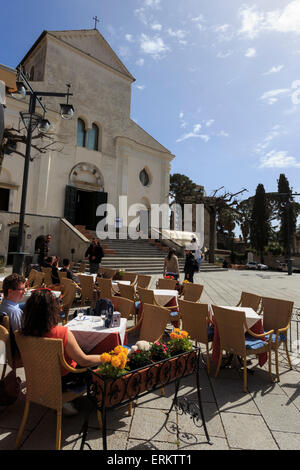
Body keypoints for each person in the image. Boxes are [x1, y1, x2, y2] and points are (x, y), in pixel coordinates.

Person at [21, 289, 102, 415]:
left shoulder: (23, 334)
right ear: (51, 310)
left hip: (39, 377)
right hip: (64, 381)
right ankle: (65, 398)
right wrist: (106, 357)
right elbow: (84, 360)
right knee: (96, 362)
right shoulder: (62, 332)